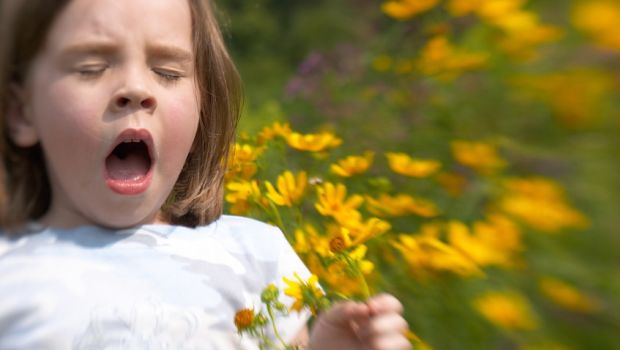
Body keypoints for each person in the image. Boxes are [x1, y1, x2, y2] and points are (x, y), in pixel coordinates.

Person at [0, 0, 411, 349]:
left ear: (203, 105)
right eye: (90, 67)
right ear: (21, 110)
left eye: (168, 72)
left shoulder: (254, 254)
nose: (136, 89)